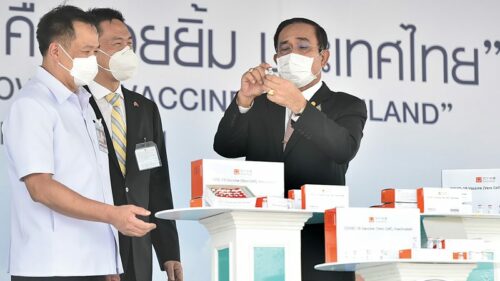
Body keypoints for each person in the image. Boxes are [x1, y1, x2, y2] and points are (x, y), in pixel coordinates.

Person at [3, 5, 157, 281]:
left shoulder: (82, 104)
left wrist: (109, 261)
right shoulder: (32, 105)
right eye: (86, 52)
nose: (94, 59)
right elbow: (41, 188)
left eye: (96, 50)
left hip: (93, 265)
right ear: (55, 52)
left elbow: (94, 182)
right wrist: (113, 215)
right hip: (52, 267)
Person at [213, 18, 367, 281]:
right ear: (276, 58)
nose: (292, 54)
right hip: (261, 241)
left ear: (324, 56)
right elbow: (226, 146)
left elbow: (344, 149)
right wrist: (244, 99)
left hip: (318, 244)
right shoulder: (262, 104)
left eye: (303, 47)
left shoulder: (346, 105)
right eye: (285, 49)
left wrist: (300, 107)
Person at [86, 8, 182, 281]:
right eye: (117, 44)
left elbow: (157, 182)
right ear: (93, 49)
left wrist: (168, 250)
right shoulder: (75, 104)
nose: (127, 51)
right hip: (93, 249)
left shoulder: (145, 108)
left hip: (138, 249)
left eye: (129, 44)